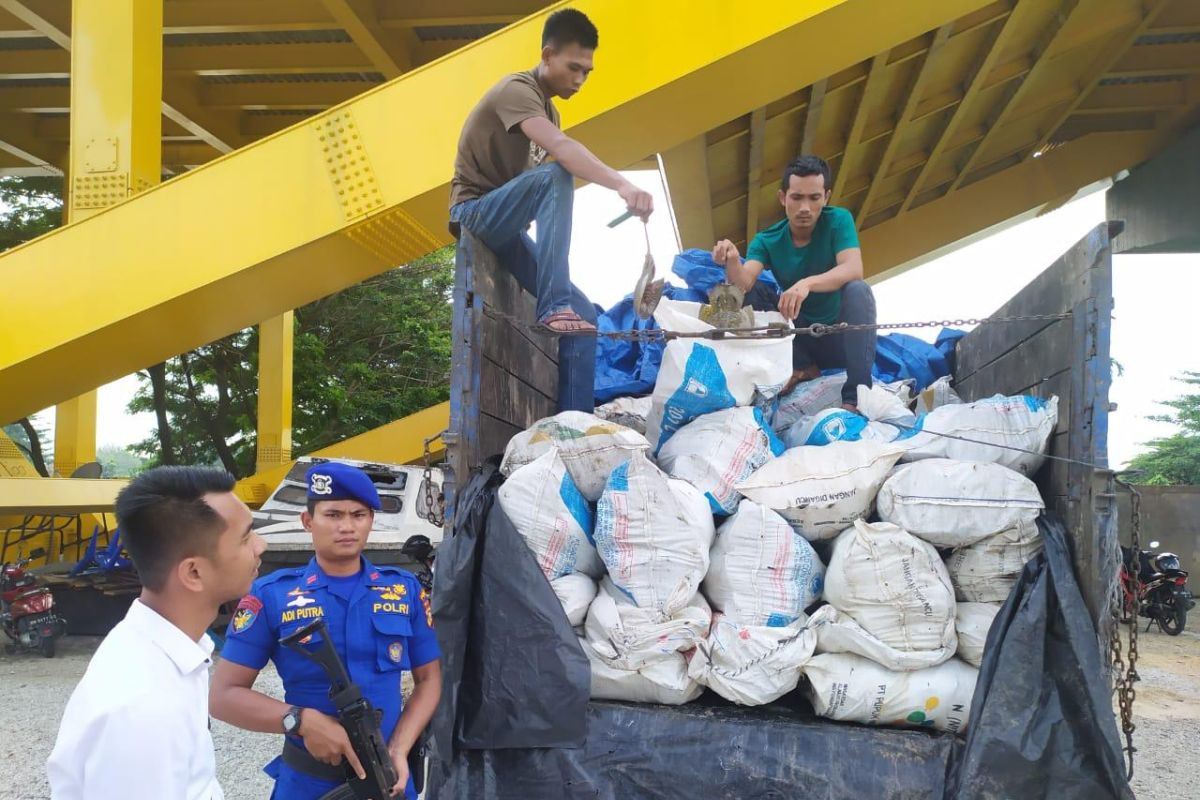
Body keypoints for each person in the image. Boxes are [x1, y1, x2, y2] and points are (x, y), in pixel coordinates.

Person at [449, 7, 654, 413]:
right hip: (473, 214)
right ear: (546, 56)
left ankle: (575, 423)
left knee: (584, 319)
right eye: (573, 68)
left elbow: (544, 190)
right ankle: (552, 306)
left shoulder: (550, 111)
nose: (580, 80)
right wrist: (622, 184)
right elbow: (562, 156)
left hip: (506, 229)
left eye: (587, 72)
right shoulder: (516, 90)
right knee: (558, 175)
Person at [210, 461, 441, 800]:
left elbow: (429, 679)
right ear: (308, 521)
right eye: (333, 515)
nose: (347, 526)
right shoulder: (272, 595)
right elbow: (223, 695)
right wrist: (298, 720)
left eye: (358, 515)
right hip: (308, 784)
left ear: (371, 521)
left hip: (388, 779)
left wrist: (399, 748)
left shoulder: (404, 590)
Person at [47, 467, 265, 800]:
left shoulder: (169, 655)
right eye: (246, 537)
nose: (260, 546)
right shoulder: (141, 708)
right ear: (194, 572)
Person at [713, 155, 877, 410]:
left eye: (814, 198)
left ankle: (855, 398)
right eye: (797, 197)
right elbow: (743, 285)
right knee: (755, 293)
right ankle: (800, 367)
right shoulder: (766, 240)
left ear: (827, 197)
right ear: (782, 198)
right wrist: (732, 260)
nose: (805, 207)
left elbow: (854, 268)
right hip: (796, 341)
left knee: (859, 291)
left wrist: (807, 283)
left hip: (837, 338)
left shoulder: (839, 220)